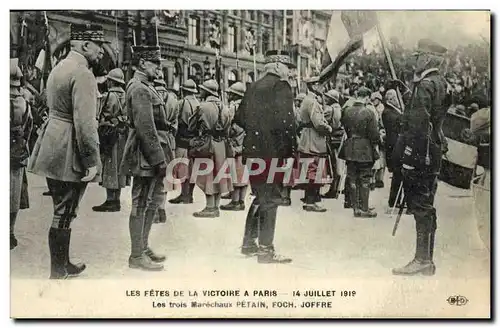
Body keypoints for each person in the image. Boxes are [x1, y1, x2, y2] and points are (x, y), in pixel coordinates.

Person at [28, 24, 107, 279]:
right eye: (98, 47)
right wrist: (92, 161)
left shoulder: (60, 67)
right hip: (69, 148)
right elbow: (85, 123)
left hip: (53, 143)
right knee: (66, 210)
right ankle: (58, 270)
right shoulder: (82, 73)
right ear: (84, 45)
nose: (101, 53)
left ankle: (63, 264)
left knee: (61, 207)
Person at [392, 39, 449, 276]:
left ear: (425, 58)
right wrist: (408, 93)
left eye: (417, 56)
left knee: (420, 206)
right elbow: (431, 115)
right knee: (427, 206)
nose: (413, 60)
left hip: (420, 154)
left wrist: (408, 156)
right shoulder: (440, 83)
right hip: (433, 152)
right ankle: (427, 260)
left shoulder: (424, 85)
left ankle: (421, 259)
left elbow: (418, 123)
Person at [234, 50, 296, 263]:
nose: (289, 72)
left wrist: (257, 128)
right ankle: (266, 250)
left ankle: (249, 243)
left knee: (259, 196)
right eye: (288, 67)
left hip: (252, 151)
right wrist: (288, 153)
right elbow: (287, 124)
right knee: (271, 200)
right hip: (273, 153)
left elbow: (239, 118)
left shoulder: (252, 87)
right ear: (278, 66)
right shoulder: (282, 86)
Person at [120, 45, 173, 271]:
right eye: (155, 64)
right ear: (142, 63)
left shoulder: (145, 86)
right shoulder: (139, 88)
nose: (159, 69)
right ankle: (136, 254)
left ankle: (143, 246)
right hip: (145, 154)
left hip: (150, 153)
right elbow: (145, 127)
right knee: (140, 202)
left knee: (151, 201)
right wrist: (158, 159)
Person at [189, 79, 233, 218]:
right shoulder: (225, 108)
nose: (200, 91)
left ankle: (209, 207)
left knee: (207, 174)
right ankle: (216, 206)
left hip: (206, 143)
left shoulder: (203, 107)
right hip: (222, 144)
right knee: (219, 174)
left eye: (202, 89)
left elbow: (192, 126)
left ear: (206, 91)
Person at [92, 68, 130, 212]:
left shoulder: (107, 96)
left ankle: (110, 200)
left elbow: (100, 115)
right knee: (120, 165)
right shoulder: (126, 96)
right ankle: (117, 199)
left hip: (110, 135)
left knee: (109, 165)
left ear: (111, 81)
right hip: (123, 135)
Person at [339, 86, 379, 218]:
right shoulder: (369, 113)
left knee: (352, 178)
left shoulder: (347, 111)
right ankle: (364, 208)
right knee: (365, 178)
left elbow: (344, 126)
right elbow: (374, 135)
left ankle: (355, 208)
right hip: (364, 149)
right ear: (367, 98)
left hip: (350, 147)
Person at [297, 77, 332, 212]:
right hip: (313, 140)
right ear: (314, 86)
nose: (322, 87)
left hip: (308, 138)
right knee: (314, 171)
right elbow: (318, 123)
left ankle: (311, 200)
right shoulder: (312, 102)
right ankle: (311, 202)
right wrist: (328, 128)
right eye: (320, 85)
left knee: (311, 170)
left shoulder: (308, 100)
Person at [10, 59, 33, 250]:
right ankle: (9, 233)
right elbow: (29, 127)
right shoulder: (23, 101)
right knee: (14, 194)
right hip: (16, 152)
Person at [152, 71, 178, 224]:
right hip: (168, 140)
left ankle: (154, 211)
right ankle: (162, 209)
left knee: (153, 176)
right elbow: (175, 124)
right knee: (165, 176)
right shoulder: (173, 100)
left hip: (155, 140)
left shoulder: (150, 95)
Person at [169, 79, 199, 204]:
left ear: (183, 90)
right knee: (192, 169)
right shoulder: (198, 103)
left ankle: (184, 194)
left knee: (182, 167)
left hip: (182, 138)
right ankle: (189, 195)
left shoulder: (181, 103)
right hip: (195, 140)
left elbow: (176, 121)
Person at [220, 82, 248, 211]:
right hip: (246, 142)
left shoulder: (233, 107)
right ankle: (241, 200)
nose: (229, 95)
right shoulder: (249, 106)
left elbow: (229, 126)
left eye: (230, 93)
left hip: (236, 141)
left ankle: (235, 201)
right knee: (244, 173)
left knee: (236, 172)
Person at [381, 89, 404, 214]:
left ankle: (396, 199)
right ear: (391, 99)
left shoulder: (392, 111)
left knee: (398, 174)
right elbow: (396, 123)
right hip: (394, 147)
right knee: (398, 174)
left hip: (395, 146)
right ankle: (394, 199)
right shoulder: (389, 112)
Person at [322, 89, 344, 199]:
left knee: (334, 165)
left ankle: (334, 189)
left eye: (327, 97)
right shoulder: (339, 108)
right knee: (337, 164)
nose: (325, 99)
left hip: (332, 137)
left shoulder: (330, 109)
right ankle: (335, 188)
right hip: (339, 138)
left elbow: (322, 121)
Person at [370, 91, 386, 188]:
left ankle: (380, 179)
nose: (373, 101)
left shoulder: (381, 109)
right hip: (378, 134)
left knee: (381, 158)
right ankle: (376, 178)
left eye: (374, 99)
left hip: (381, 135)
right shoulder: (375, 108)